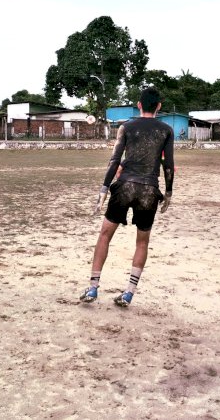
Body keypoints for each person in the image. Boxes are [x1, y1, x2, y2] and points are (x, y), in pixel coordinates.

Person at [80, 87, 175, 307]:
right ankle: (129, 293)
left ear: (139, 105)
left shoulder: (127, 127)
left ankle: (93, 288)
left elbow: (114, 160)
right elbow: (168, 165)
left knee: (105, 235)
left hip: (124, 187)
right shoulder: (166, 131)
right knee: (142, 241)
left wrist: (104, 188)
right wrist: (168, 192)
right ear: (158, 106)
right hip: (149, 190)